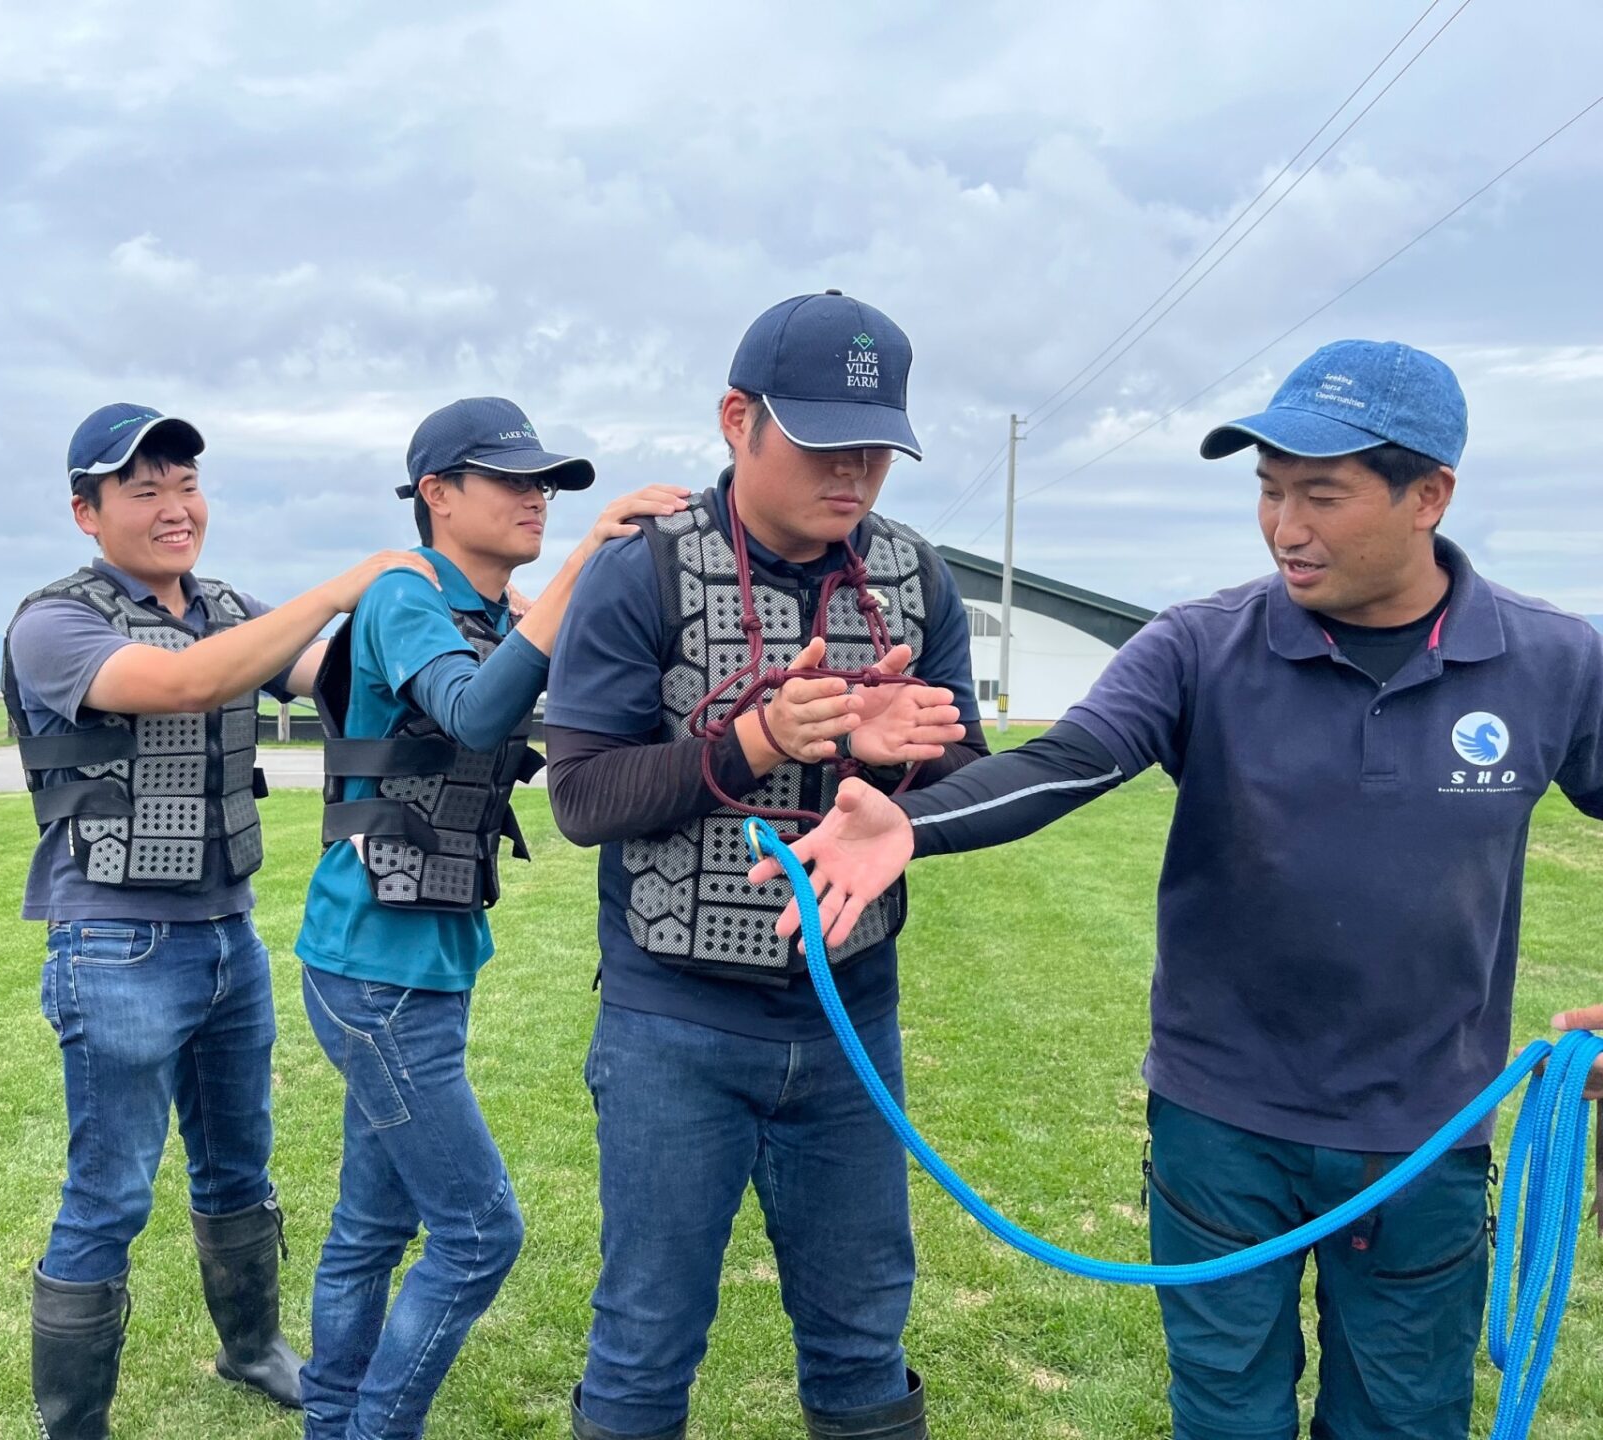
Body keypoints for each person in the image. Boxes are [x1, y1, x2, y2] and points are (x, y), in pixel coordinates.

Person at [750, 340, 1603, 1439]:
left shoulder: (1550, 660)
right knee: (1226, 1418)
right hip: (1222, 1123)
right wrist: (908, 821)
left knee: (1405, 1422)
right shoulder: (1201, 644)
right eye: (1268, 491)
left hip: (1427, 1135)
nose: (1285, 526)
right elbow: (1071, 760)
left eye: (1322, 496)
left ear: (1430, 494)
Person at [544, 291, 986, 1440]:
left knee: (862, 1339)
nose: (856, 475)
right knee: (645, 1337)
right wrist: (754, 740)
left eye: (877, 449)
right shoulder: (641, 572)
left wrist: (884, 757)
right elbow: (582, 796)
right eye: (825, 444)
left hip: (850, 1021)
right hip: (672, 1024)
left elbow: (962, 779)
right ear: (737, 419)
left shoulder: (914, 576)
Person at [2, 403, 434, 1440]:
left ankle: (251, 1349)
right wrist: (343, 585)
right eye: (143, 489)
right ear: (86, 511)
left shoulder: (229, 606)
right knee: (107, 1192)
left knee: (240, 1164)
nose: (173, 507)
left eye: (185, 484)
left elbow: (330, 678)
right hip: (115, 946)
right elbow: (186, 684)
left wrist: (443, 623)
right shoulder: (54, 624)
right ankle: (75, 1424)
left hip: (227, 937)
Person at [293, 396, 687, 1440]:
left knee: (373, 1226)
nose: (539, 499)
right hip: (374, 968)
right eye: (511, 479)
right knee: (477, 1234)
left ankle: (331, 1420)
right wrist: (581, 575)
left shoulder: (503, 620)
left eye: (546, 484)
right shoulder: (404, 595)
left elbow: (576, 739)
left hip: (423, 960)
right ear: (437, 495)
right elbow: (469, 711)